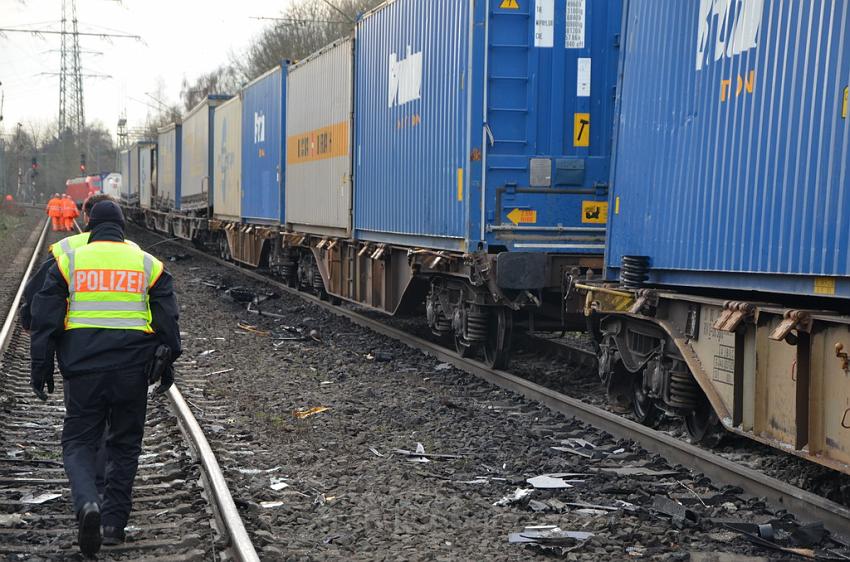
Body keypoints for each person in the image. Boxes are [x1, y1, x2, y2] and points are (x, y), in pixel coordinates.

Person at [29, 201, 181, 556]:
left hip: (82, 369)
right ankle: (113, 524)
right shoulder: (147, 263)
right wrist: (168, 361)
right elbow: (168, 321)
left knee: (80, 441)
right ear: (123, 227)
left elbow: (45, 317)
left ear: (89, 225)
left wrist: (41, 366)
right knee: (125, 444)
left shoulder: (70, 261)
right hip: (132, 371)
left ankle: (87, 505)